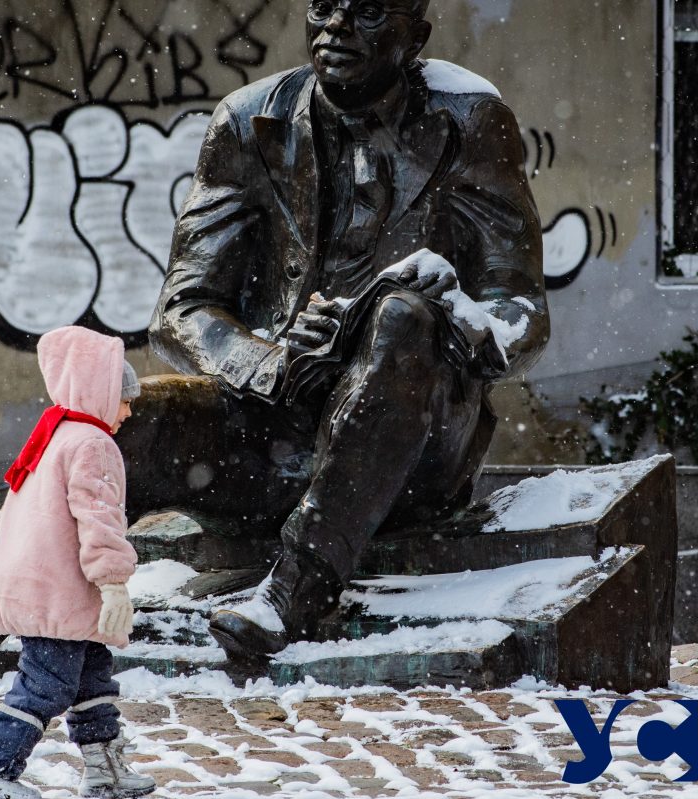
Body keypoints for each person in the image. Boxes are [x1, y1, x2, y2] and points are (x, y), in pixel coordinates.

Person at [127, 0, 549, 661]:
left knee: (402, 317)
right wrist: (272, 361)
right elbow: (182, 309)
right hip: (271, 438)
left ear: (417, 36)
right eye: (324, 7)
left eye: (370, 12)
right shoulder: (248, 123)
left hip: (410, 450)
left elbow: (520, 305)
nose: (337, 28)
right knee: (132, 415)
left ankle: (297, 586)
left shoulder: (470, 118)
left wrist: (464, 317)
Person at [0, 325, 156, 799]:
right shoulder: (92, 443)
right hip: (58, 591)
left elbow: (13, 506)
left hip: (45, 586)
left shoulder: (52, 435)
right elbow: (100, 519)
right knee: (45, 685)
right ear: (100, 393)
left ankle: (104, 768)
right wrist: (113, 583)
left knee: (92, 679)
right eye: (124, 399)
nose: (129, 411)